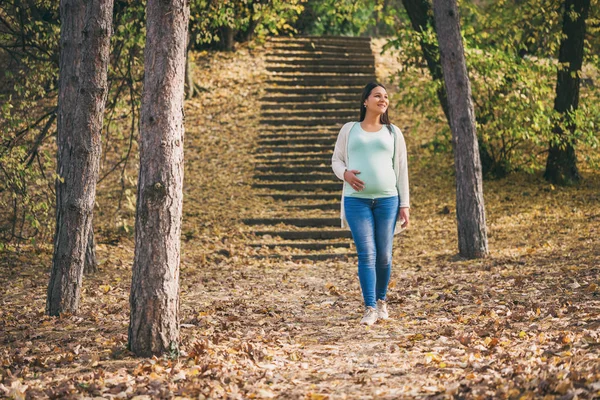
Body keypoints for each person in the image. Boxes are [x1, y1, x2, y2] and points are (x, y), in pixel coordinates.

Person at [331, 82, 410, 326]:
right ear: (365, 100)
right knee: (367, 254)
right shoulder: (349, 129)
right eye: (377, 95)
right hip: (357, 202)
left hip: (388, 200)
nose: (383, 99)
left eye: (385, 96)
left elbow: (402, 169)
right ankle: (370, 307)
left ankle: (382, 300)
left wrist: (404, 204)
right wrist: (345, 174)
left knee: (384, 256)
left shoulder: (393, 133)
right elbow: (336, 160)